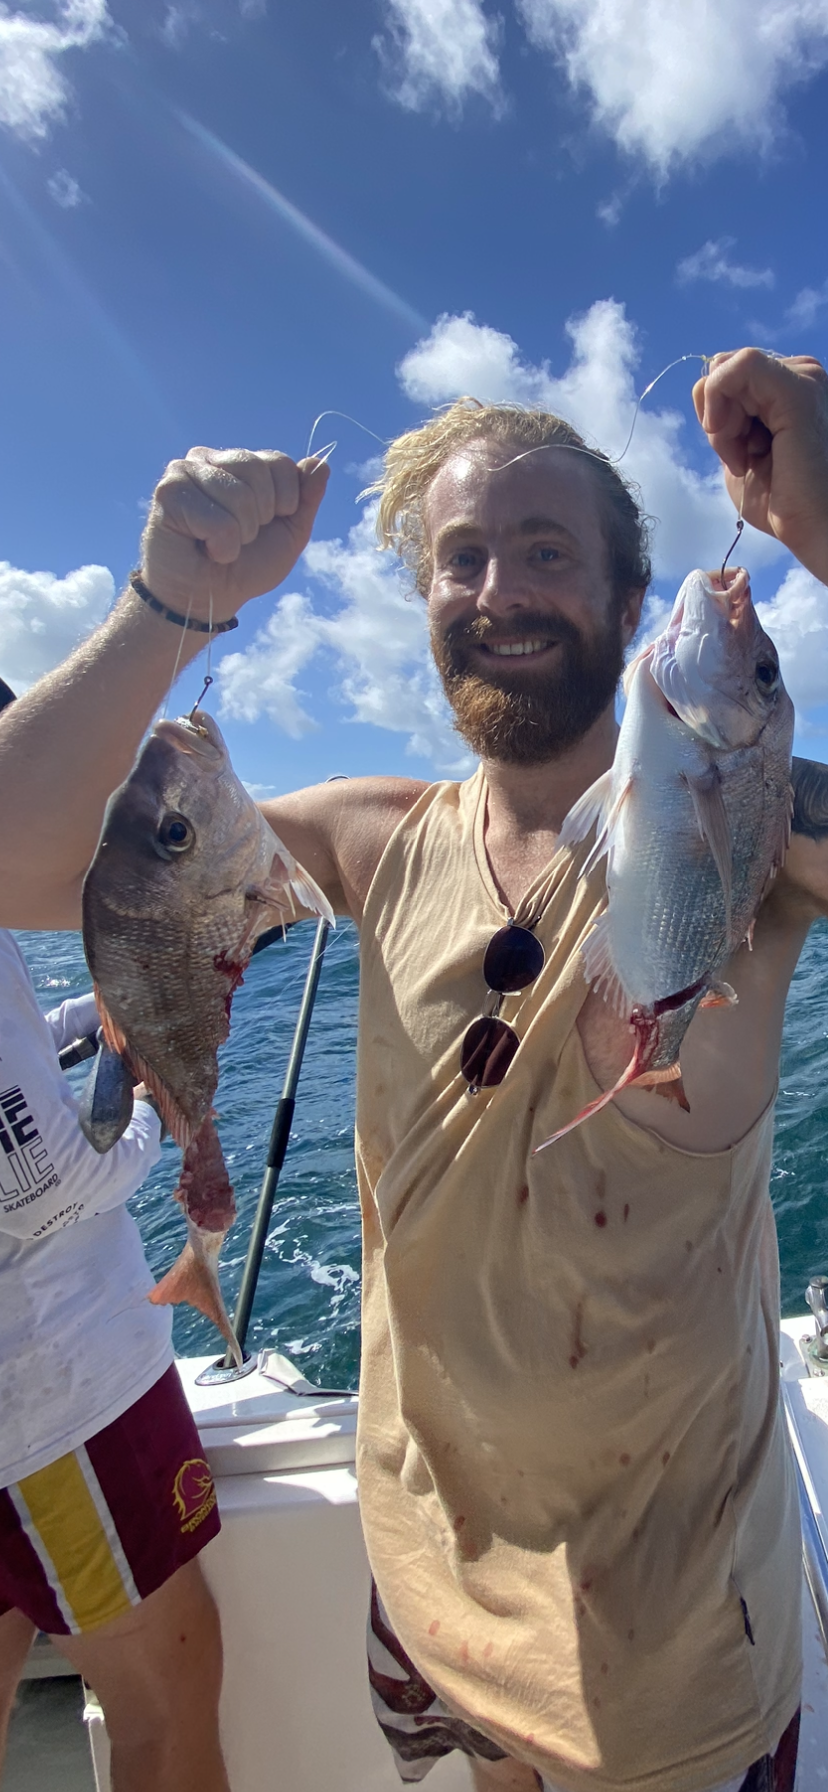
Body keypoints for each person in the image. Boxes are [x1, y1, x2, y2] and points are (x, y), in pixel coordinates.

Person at [1, 350, 827, 1792]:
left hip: (666, 1670)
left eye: (547, 551)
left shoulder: (759, 833)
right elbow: (35, 863)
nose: (498, 589)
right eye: (461, 561)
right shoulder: (370, 841)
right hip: (423, 1610)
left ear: (636, 608)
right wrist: (165, 607)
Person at [0, 690, 228, 1790]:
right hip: (54, 1397)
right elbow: (41, 1182)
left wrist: (91, 1027)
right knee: (170, 1696)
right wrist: (150, 1113)